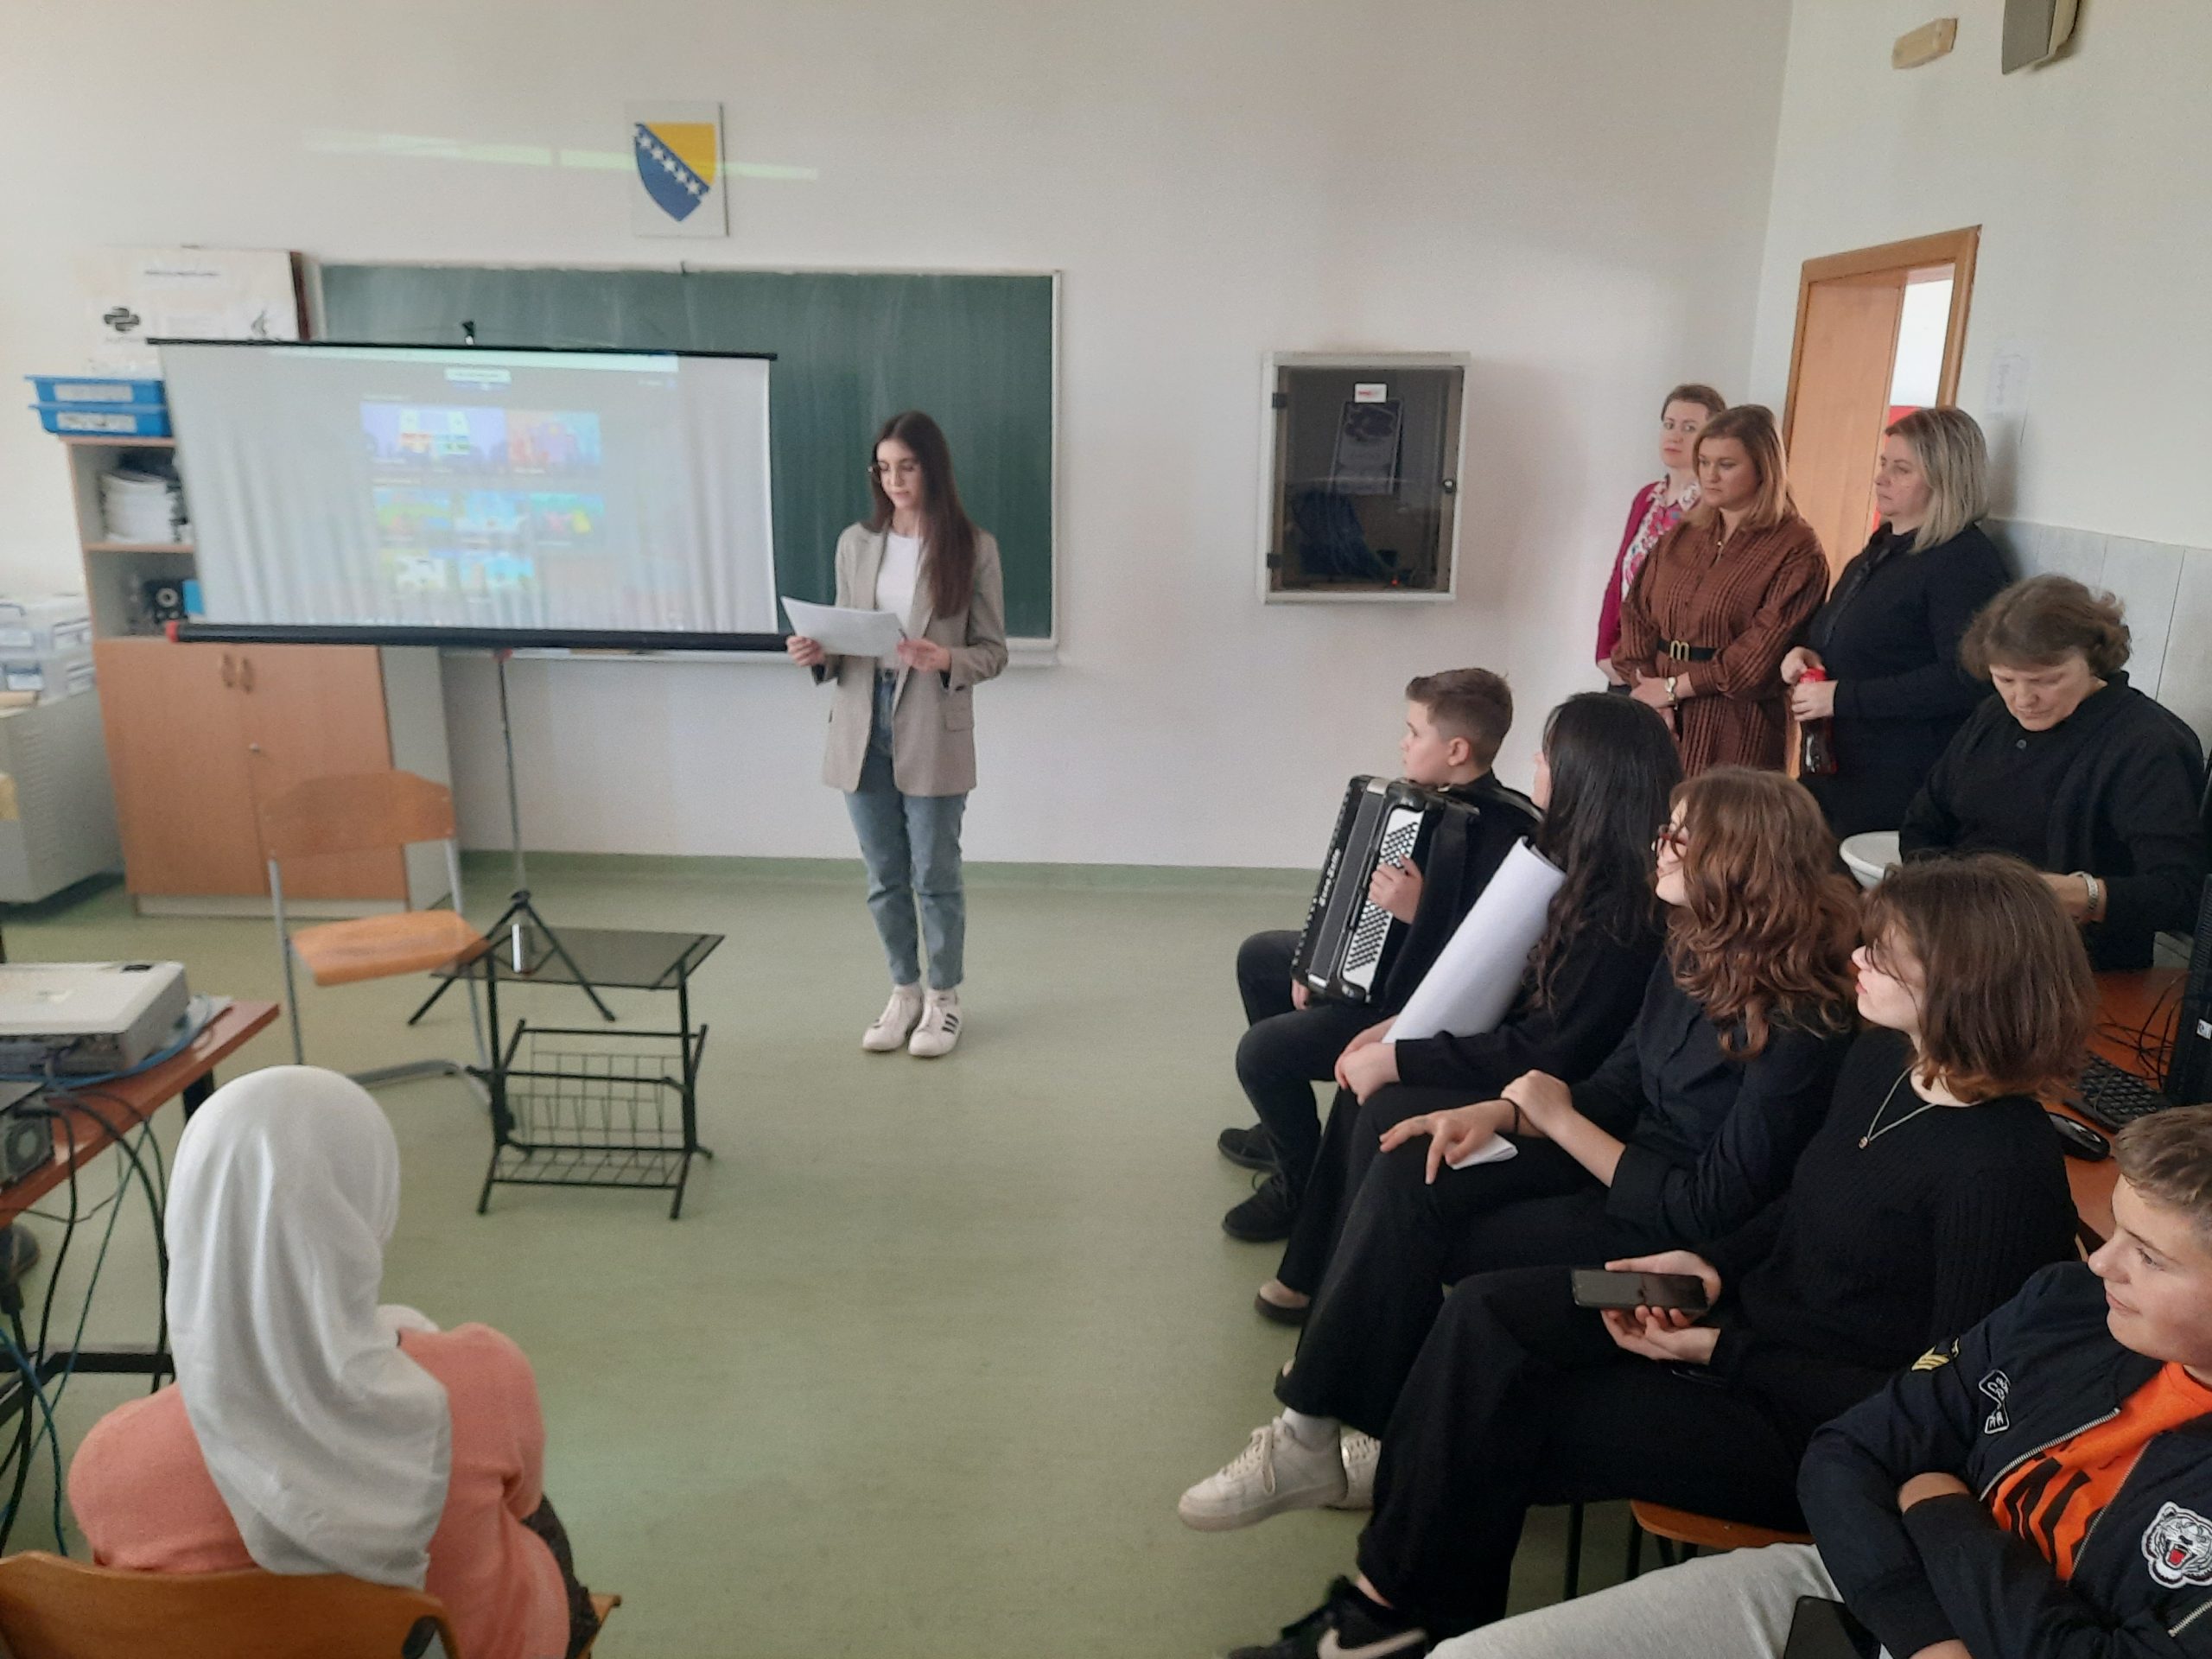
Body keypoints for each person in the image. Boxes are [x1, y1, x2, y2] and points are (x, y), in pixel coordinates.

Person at [1224, 855, 2090, 1658]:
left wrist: (1722, 1349)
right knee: (1488, 1310)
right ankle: (1393, 1605)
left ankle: (1385, 1622)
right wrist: (1710, 1265)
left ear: (1965, 984)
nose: (1858, 958)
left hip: (1806, 1421)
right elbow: (1797, 1205)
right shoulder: (1886, 1060)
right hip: (1730, 1309)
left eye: (1886, 954)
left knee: (1502, 1415)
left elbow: (1937, 1404)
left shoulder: (2002, 1169)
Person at [1179, 768, 1857, 1529]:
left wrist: (1555, 1121)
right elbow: (1615, 1086)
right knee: (1414, 1161)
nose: (1659, 846)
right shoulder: (1694, 943)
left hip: (1677, 1252)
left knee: (1447, 1256)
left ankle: (1391, 1431)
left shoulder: (1804, 1022)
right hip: (1620, 1168)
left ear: (1738, 863)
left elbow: (1705, 1209)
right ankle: (1311, 1431)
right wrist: (1496, 1114)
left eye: (1680, 836)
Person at [1431, 1102, 2212, 1659]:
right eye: (2116, 1231)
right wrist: (1926, 1634)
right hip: (1875, 1581)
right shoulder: (2066, 1304)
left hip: (1927, 1570)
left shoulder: (2000, 1176)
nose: (2100, 1263)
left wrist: (1933, 1498)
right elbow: (1850, 1448)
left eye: (2148, 1256)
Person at [69, 1068, 598, 1659]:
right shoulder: (484, 1377)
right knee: (525, 1515)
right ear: (369, 1207)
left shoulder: (110, 1460)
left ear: (190, 1215)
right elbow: (522, 1507)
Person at [1255, 692, 1682, 1325]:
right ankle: (1316, 1275)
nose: (1536, 762)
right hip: (1522, 1067)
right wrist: (1399, 1032)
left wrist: (1403, 1058)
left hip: (1560, 1097)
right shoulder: (1571, 862)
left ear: (1587, 778)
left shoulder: (1619, 913)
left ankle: (1345, 1305)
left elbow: (1551, 1051)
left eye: (1549, 755)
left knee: (1384, 1109)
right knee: (1362, 1091)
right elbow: (1498, 988)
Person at [1217, 670, 1540, 1243]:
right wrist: (1318, 961)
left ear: (1457, 750)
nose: (1403, 744)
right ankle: (1286, 1132)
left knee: (1261, 1054)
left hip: (1410, 1011)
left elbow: (1482, 969)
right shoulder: (1419, 806)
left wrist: (1420, 910)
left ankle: (1300, 1189)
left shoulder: (1503, 833)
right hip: (1379, 973)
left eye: (1414, 732)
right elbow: (1355, 902)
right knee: (1261, 957)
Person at [786, 410, 1008, 1058]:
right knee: (884, 875)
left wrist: (947, 658)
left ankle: (944, 999)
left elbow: (993, 651)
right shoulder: (856, 543)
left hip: (932, 723)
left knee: (934, 872)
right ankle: (903, 991)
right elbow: (842, 636)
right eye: (883, 469)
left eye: (906, 467)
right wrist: (817, 652)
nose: (894, 480)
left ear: (931, 469)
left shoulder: (974, 547)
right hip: (862, 722)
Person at [1900, 573, 2208, 969]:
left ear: (2093, 660)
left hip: (2076, 967)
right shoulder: (1992, 717)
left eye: (2047, 680)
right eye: (2005, 679)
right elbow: (1922, 825)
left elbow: (2181, 893)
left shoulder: (2148, 743)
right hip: (1964, 944)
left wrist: (2080, 895)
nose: (2023, 699)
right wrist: (1954, 897)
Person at [1779, 407, 2011, 838]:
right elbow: (1846, 638)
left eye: (1901, 469)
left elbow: (1967, 678)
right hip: (1837, 767)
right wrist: (1806, 655)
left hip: (1899, 779)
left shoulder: (1963, 563)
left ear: (1945, 480)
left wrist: (1845, 698)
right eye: (1884, 463)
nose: (1881, 478)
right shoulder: (1881, 550)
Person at [1613, 404, 1829, 775]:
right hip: (1657, 716)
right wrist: (1651, 689)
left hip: (1736, 723)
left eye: (1726, 465)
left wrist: (1674, 688)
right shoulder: (1684, 533)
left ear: (1763, 468)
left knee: (1718, 811)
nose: (1710, 476)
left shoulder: (1796, 548)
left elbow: (1759, 655)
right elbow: (1636, 614)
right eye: (1704, 462)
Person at [1595, 384, 1727, 685]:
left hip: (1673, 666)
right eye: (1669, 425)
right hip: (1624, 658)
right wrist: (1603, 652)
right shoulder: (1648, 497)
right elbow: (1620, 576)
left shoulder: (1714, 506)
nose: (1675, 435)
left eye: (1689, 428)